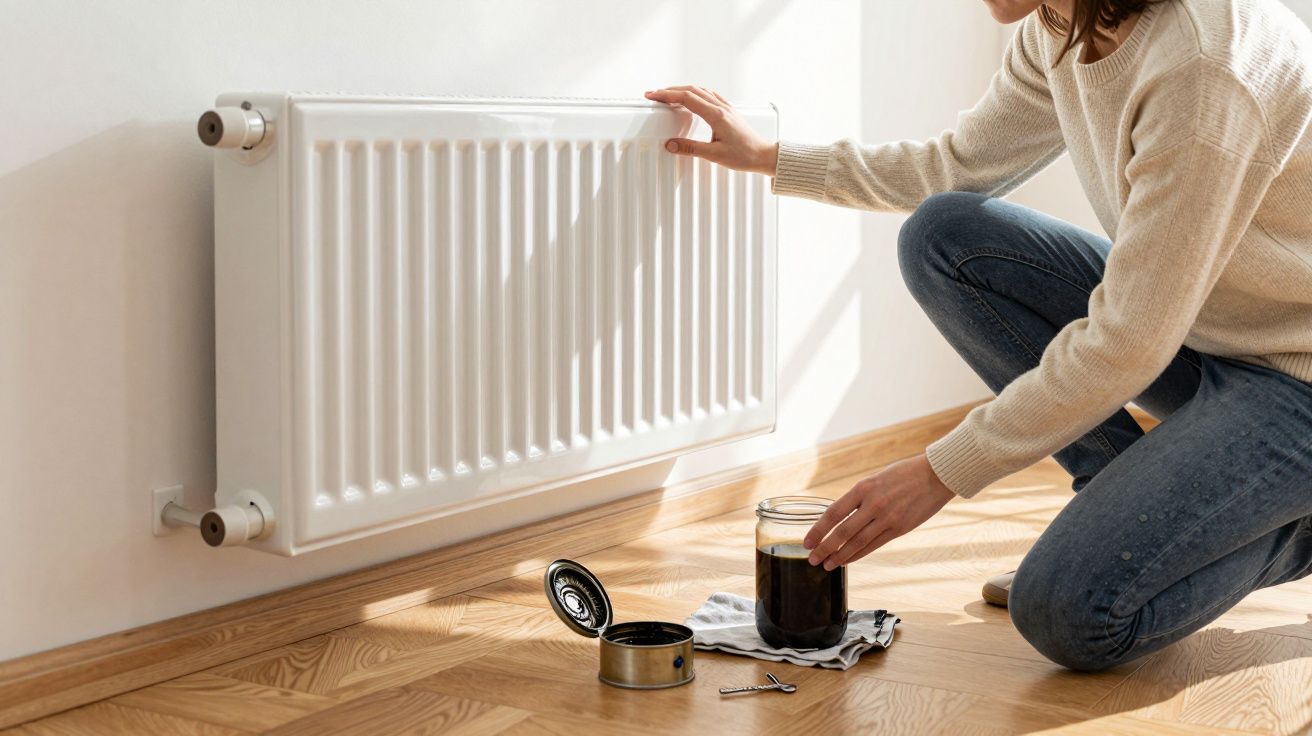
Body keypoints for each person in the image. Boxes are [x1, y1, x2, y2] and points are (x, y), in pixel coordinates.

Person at [645, 0, 1312, 671]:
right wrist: (773, 158)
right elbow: (954, 168)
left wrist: (939, 471)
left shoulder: (1204, 60)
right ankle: (1123, 494)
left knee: (1068, 614)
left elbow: (1130, 342)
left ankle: (1297, 530)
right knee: (945, 238)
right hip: (1206, 336)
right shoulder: (1058, 25)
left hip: (1299, 375)